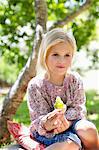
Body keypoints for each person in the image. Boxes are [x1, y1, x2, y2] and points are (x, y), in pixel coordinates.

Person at [27, 28, 99, 150]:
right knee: (68, 145)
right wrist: (49, 123)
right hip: (47, 132)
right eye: (55, 55)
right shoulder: (36, 85)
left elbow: (79, 108)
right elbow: (38, 119)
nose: (62, 61)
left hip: (72, 123)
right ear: (45, 55)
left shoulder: (74, 80)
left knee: (89, 130)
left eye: (67, 55)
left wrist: (67, 121)